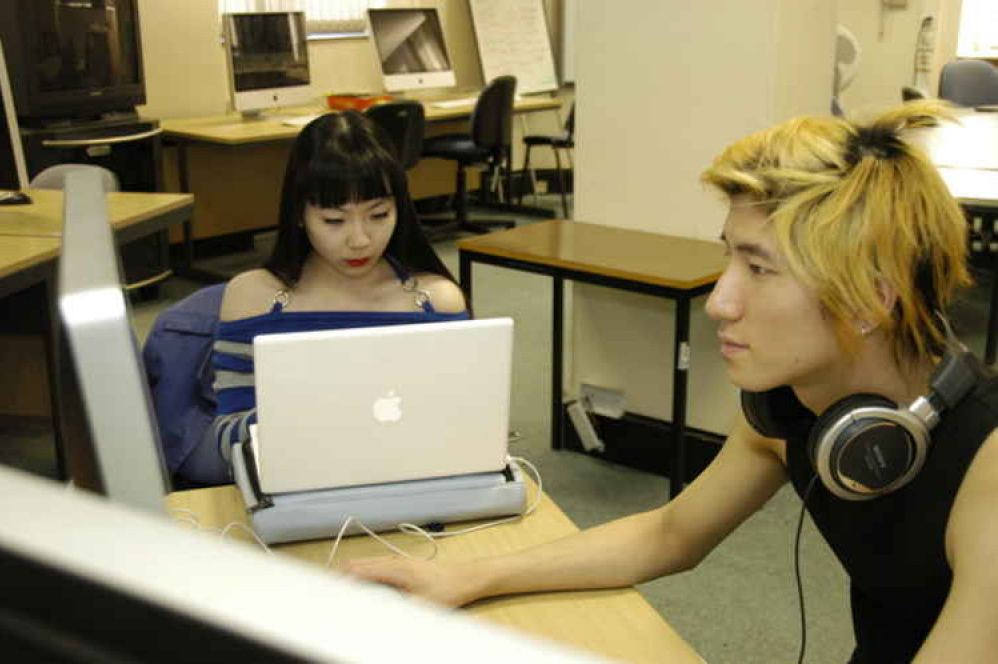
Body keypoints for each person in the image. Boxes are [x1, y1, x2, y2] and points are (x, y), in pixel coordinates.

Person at [343, 101, 998, 664]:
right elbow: (670, 535)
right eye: (728, 255)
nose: (721, 301)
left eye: (760, 269)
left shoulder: (987, 468)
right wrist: (467, 578)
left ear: (868, 300)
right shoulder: (791, 407)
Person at [178, 111, 468, 484]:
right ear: (299, 214)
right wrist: (309, 419)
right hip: (295, 492)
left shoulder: (435, 302)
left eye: (379, 215)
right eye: (334, 220)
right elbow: (225, 443)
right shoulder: (255, 298)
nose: (360, 239)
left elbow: (460, 423)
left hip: (416, 490)